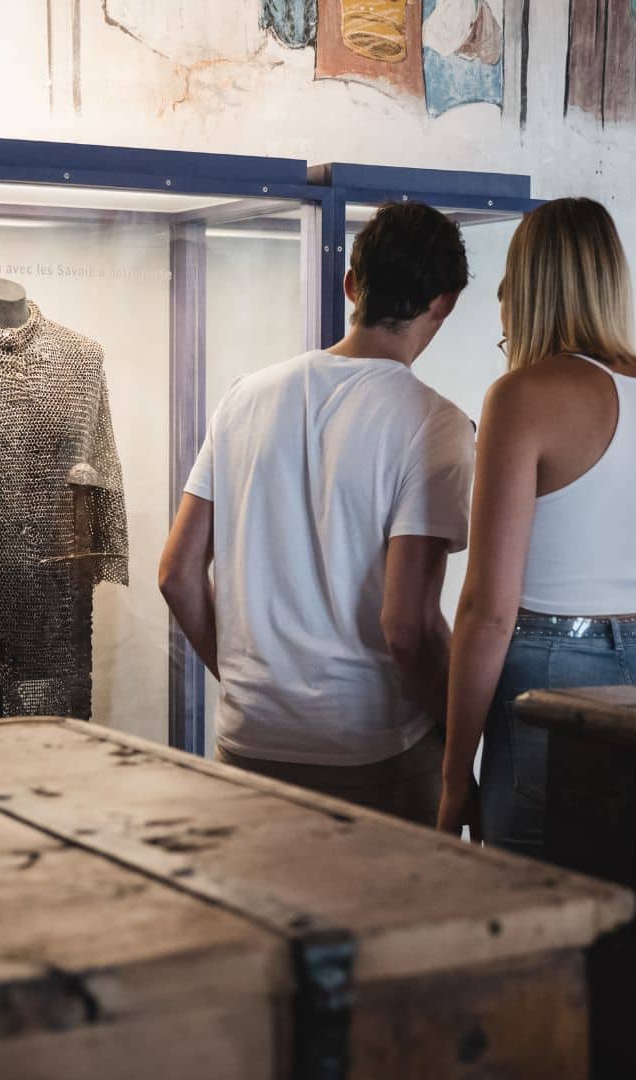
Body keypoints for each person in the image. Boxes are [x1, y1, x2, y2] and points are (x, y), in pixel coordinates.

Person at [158, 202, 474, 824]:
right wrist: (463, 748)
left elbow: (177, 574)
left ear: (351, 283)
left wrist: (250, 682)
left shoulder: (245, 396)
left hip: (250, 743)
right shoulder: (436, 423)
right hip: (374, 753)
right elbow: (407, 626)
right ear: (445, 302)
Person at [437, 197, 636, 855]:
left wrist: (456, 776)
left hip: (547, 679)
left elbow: (487, 611)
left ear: (525, 289)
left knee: (543, 910)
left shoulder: (521, 397)